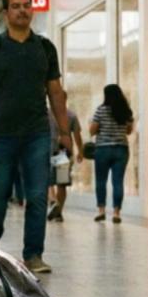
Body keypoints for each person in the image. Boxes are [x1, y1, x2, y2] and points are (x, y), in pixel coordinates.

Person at [0, 0, 71, 275]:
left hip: (37, 133)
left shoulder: (45, 47)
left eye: (26, 6)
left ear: (32, 10)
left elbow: (55, 91)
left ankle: (34, 254)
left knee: (38, 195)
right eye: (15, 6)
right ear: (6, 13)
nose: (22, 10)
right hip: (0, 133)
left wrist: (64, 131)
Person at [90, 84, 134, 224]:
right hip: (121, 149)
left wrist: (98, 130)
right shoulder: (126, 111)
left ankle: (101, 211)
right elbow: (128, 131)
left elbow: (92, 130)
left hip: (103, 149)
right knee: (118, 182)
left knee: (101, 181)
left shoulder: (101, 110)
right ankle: (116, 213)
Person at [47, 91, 84, 222]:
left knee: (47, 180)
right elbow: (77, 135)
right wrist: (80, 150)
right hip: (63, 153)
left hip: (47, 151)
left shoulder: (45, 115)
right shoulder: (71, 115)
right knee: (61, 183)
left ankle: (52, 201)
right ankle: (59, 212)